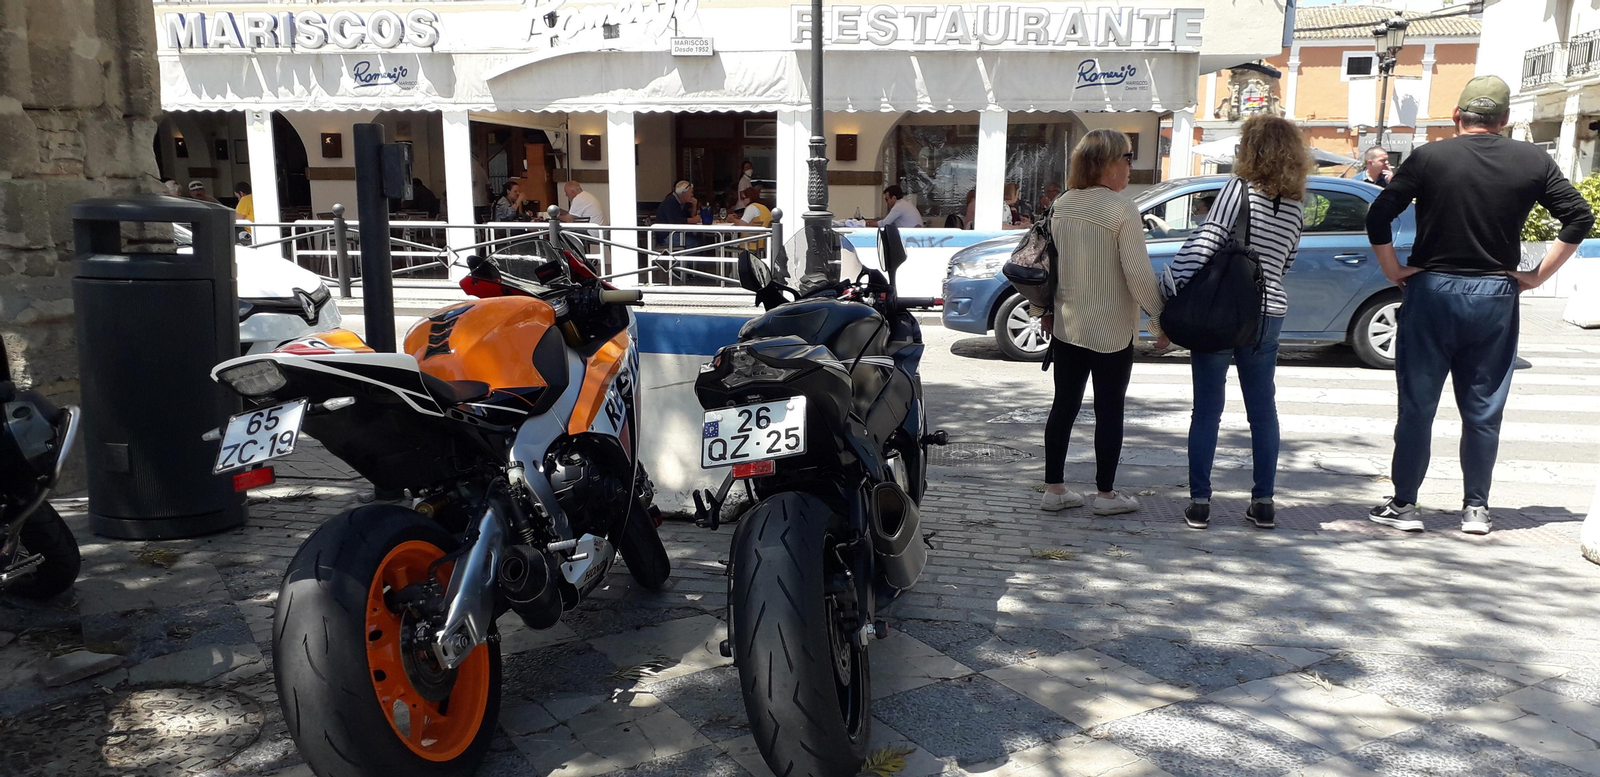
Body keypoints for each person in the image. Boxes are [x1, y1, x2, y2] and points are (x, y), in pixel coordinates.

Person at [1365, 75, 1594, 536]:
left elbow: (1379, 213)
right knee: (1484, 407)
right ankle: (1475, 509)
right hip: (1494, 292)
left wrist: (1393, 270)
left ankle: (1405, 505)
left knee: (1417, 405)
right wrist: (1535, 276)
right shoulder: (1533, 160)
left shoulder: (1430, 156)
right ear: (1505, 121)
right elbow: (1579, 216)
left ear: (1457, 115)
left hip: (1432, 290)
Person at [1167, 115, 1310, 531]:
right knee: (1263, 410)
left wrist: (1171, 281)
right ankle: (1263, 501)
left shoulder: (1237, 190)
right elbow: (1287, 262)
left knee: (1208, 408)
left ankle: (1199, 503)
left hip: (1224, 309)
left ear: (1250, 150)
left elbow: (1208, 240)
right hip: (1269, 313)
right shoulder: (1296, 205)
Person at [1038, 129, 1168, 516]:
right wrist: (1160, 323)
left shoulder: (1062, 204)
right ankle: (1106, 496)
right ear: (1107, 163)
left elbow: (1048, 266)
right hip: (1111, 328)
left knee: (1064, 405)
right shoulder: (1121, 209)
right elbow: (1139, 275)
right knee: (1110, 409)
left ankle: (1054, 488)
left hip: (1067, 324)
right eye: (1127, 158)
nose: (1131, 166)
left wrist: (1041, 311)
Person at [728, 187, 772, 252]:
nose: (742, 201)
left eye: (744, 198)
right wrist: (738, 218)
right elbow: (750, 221)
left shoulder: (751, 207)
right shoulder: (762, 207)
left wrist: (732, 219)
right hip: (762, 242)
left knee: (724, 245)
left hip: (750, 243)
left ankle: (729, 261)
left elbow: (742, 225)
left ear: (751, 197)